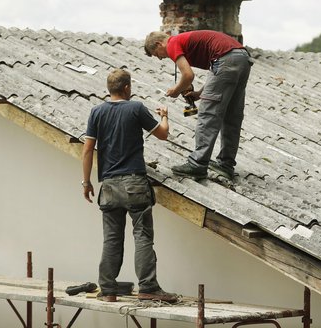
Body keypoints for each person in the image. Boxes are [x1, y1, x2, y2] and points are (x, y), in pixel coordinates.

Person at [81, 68, 177, 303]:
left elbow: (87, 150)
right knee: (142, 236)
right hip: (134, 183)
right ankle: (148, 288)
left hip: (109, 185)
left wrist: (86, 182)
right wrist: (165, 115)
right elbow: (163, 134)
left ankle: (108, 290)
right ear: (126, 88)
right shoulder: (135, 108)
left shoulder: (96, 112)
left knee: (112, 239)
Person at [144, 29, 253, 180]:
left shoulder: (172, 43)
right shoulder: (188, 42)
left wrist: (176, 90)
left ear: (158, 44)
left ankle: (197, 164)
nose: (162, 58)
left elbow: (188, 75)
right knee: (231, 116)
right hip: (242, 58)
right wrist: (200, 93)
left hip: (226, 59)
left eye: (158, 54)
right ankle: (226, 165)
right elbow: (217, 70)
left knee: (208, 114)